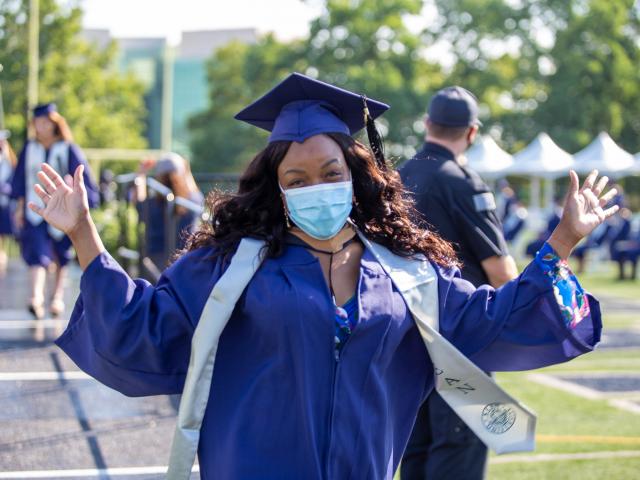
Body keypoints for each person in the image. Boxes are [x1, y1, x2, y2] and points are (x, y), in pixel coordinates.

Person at [30, 73, 616, 479]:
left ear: (354, 175)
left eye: (329, 171)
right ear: (277, 186)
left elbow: (489, 321)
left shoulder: (406, 273)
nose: (316, 187)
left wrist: (562, 240)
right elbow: (143, 325)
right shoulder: (233, 266)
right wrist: (83, 234)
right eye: (298, 178)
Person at [399, 86, 520, 480]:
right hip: (460, 341)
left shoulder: (397, 177)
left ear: (427, 124)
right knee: (458, 452)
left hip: (404, 338)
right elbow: (501, 271)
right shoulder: (462, 181)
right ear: (472, 132)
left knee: (415, 451)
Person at [11, 103, 98, 319]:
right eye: (38, 122)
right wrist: (20, 208)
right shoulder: (30, 148)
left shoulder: (68, 148)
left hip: (63, 209)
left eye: (45, 122)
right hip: (36, 208)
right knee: (37, 253)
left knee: (62, 254)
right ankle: (36, 297)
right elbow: (20, 179)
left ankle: (57, 297)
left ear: (54, 123)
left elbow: (82, 177)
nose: (41, 127)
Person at [135, 152, 204, 275]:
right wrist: (186, 170)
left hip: (155, 264)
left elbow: (137, 201)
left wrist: (141, 174)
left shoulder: (151, 205)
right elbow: (196, 192)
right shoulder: (192, 201)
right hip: (185, 261)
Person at [0, 130, 17, 273]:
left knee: (3, 232)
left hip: (4, 202)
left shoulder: (9, 161)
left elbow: (14, 181)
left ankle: (2, 254)